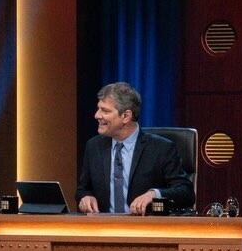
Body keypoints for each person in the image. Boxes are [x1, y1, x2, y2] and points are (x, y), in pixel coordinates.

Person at [75, 82, 194, 215]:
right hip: (104, 225)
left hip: (145, 225)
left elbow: (186, 192)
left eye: (105, 111)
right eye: (98, 109)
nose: (97, 115)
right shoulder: (94, 146)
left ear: (126, 116)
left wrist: (154, 194)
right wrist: (85, 197)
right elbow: (83, 189)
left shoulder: (161, 149)